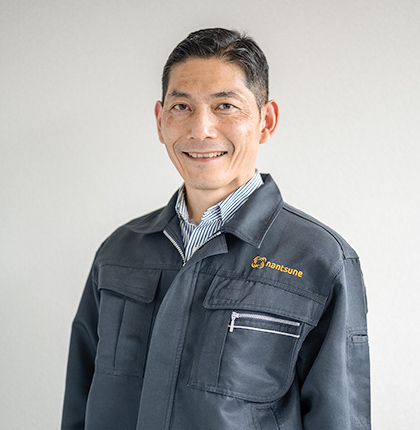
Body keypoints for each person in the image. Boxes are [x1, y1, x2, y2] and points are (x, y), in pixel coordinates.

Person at [61, 28, 371, 430]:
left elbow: (338, 418)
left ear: (266, 121)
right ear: (160, 121)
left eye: (225, 105)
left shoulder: (319, 260)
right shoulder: (119, 251)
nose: (201, 129)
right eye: (181, 107)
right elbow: (79, 403)